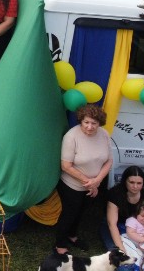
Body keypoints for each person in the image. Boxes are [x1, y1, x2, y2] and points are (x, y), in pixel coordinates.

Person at [54, 103, 112, 256]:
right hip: (72, 185)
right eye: (86, 122)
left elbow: (109, 161)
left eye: (94, 123)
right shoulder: (71, 136)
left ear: (100, 123)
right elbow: (66, 166)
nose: (90, 126)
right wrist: (90, 183)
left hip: (94, 185)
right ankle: (60, 245)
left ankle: (72, 236)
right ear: (81, 120)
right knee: (69, 213)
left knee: (81, 212)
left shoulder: (104, 134)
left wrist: (97, 181)